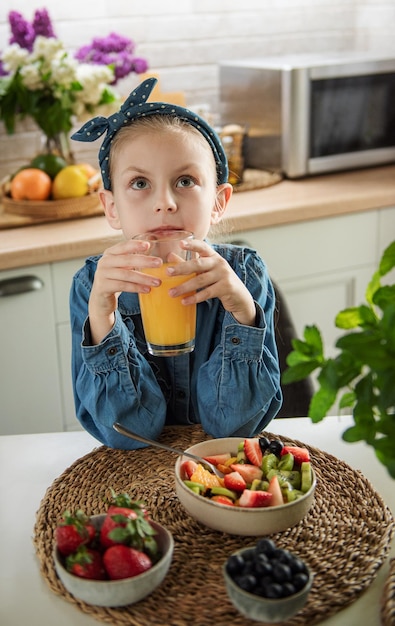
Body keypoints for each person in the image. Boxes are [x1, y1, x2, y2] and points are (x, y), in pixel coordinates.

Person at [70, 77, 282, 449]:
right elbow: (128, 434)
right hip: (134, 479)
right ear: (111, 207)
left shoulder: (246, 276)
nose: (165, 202)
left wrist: (242, 312)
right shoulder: (92, 286)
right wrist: (102, 318)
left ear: (218, 202)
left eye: (185, 180)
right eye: (139, 183)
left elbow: (234, 428)